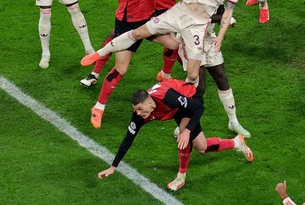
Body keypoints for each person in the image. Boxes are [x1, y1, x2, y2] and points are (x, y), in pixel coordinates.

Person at [81, 0, 243, 90]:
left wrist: (220, 37)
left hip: (199, 24)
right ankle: (99, 53)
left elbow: (228, 12)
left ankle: (180, 96)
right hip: (180, 11)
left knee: (193, 74)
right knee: (139, 32)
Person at [85, 0, 197, 129]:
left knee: (173, 44)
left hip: (146, 20)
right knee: (121, 69)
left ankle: (164, 74)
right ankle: (98, 107)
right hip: (128, 23)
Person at [97, 79, 253, 191]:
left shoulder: (167, 97)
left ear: (149, 102)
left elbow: (198, 108)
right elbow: (128, 138)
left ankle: (180, 178)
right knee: (202, 147)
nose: (137, 113)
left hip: (191, 98)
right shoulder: (139, 114)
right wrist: (113, 166)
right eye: (135, 109)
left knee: (184, 138)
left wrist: (186, 131)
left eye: (139, 108)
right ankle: (237, 142)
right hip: (176, 108)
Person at [176, 5, 250, 137]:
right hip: (191, 38)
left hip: (209, 38)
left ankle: (233, 121)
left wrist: (226, 22)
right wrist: (225, 18)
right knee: (199, 85)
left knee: (221, 77)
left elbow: (221, 12)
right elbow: (202, 16)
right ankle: (184, 122)